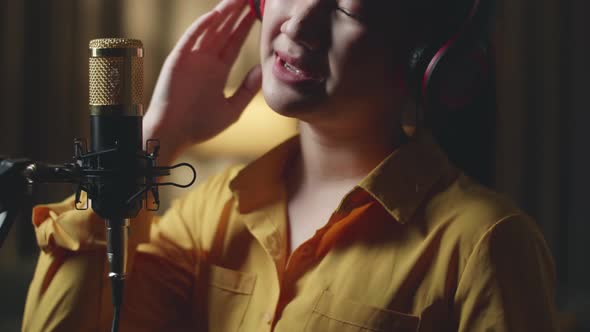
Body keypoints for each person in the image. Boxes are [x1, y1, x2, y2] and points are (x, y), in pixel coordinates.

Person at [22, 0, 559, 331]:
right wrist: (158, 135)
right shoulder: (215, 211)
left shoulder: (485, 245)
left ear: (428, 60)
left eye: (348, 7)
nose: (300, 22)